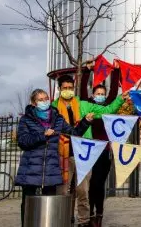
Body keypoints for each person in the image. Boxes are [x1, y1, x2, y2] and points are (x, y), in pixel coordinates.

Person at [52, 75, 125, 227]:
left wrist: (120, 98)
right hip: (62, 155)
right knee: (64, 191)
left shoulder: (83, 105)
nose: (68, 91)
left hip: (83, 153)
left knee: (83, 191)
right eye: (64, 88)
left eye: (70, 88)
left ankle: (84, 221)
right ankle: (64, 219)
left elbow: (108, 109)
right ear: (59, 89)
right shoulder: (52, 108)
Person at [16, 89, 93, 227]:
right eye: (40, 99)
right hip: (31, 168)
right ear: (34, 103)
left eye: (46, 98)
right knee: (28, 202)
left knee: (49, 202)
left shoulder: (58, 118)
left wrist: (85, 122)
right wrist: (43, 135)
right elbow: (22, 141)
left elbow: (74, 133)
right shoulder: (26, 119)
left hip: (51, 167)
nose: (44, 101)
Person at [87, 85, 116, 227]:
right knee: (90, 185)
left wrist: (116, 71)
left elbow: (114, 92)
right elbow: (80, 92)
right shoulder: (88, 107)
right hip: (89, 151)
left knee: (99, 185)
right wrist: (86, 71)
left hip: (104, 152)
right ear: (92, 95)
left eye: (102, 93)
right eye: (98, 93)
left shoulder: (108, 108)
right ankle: (89, 213)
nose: (100, 95)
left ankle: (99, 214)